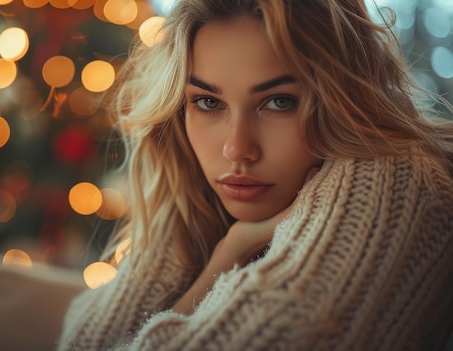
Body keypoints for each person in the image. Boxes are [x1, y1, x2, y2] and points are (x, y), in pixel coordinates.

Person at [58, 0, 453, 350]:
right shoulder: (194, 187)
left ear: (340, 99)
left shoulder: (394, 179)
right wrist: (228, 253)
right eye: (208, 102)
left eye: (278, 102)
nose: (236, 149)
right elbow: (83, 343)